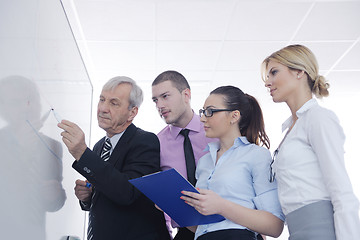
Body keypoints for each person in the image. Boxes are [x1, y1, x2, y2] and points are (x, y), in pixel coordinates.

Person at [261, 44, 360, 239]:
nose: (267, 82)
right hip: (296, 232)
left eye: (274, 72)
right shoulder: (290, 129)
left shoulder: (318, 118)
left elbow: (342, 191)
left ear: (299, 72)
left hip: (321, 231)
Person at [58, 76, 170, 240]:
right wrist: (88, 198)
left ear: (132, 112)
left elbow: (128, 193)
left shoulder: (145, 141)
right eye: (102, 100)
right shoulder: (98, 147)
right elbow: (106, 193)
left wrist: (82, 153)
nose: (102, 108)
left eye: (113, 103)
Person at [181, 86, 284, 240]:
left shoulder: (256, 155)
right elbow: (200, 227)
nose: (202, 118)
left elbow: (274, 226)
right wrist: (171, 208)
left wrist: (221, 206)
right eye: (203, 112)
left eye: (210, 111)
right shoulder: (204, 162)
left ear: (234, 116)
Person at [151, 70, 216, 240]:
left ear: (186, 94)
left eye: (165, 96)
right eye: (155, 100)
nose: (159, 105)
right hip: (186, 232)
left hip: (225, 225)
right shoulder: (157, 143)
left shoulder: (215, 130)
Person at [0, 76, 66, 240]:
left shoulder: (53, 146)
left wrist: (56, 195)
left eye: (30, 100)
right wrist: (21, 151)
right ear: (3, 109)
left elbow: (54, 204)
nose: (26, 108)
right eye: (16, 103)